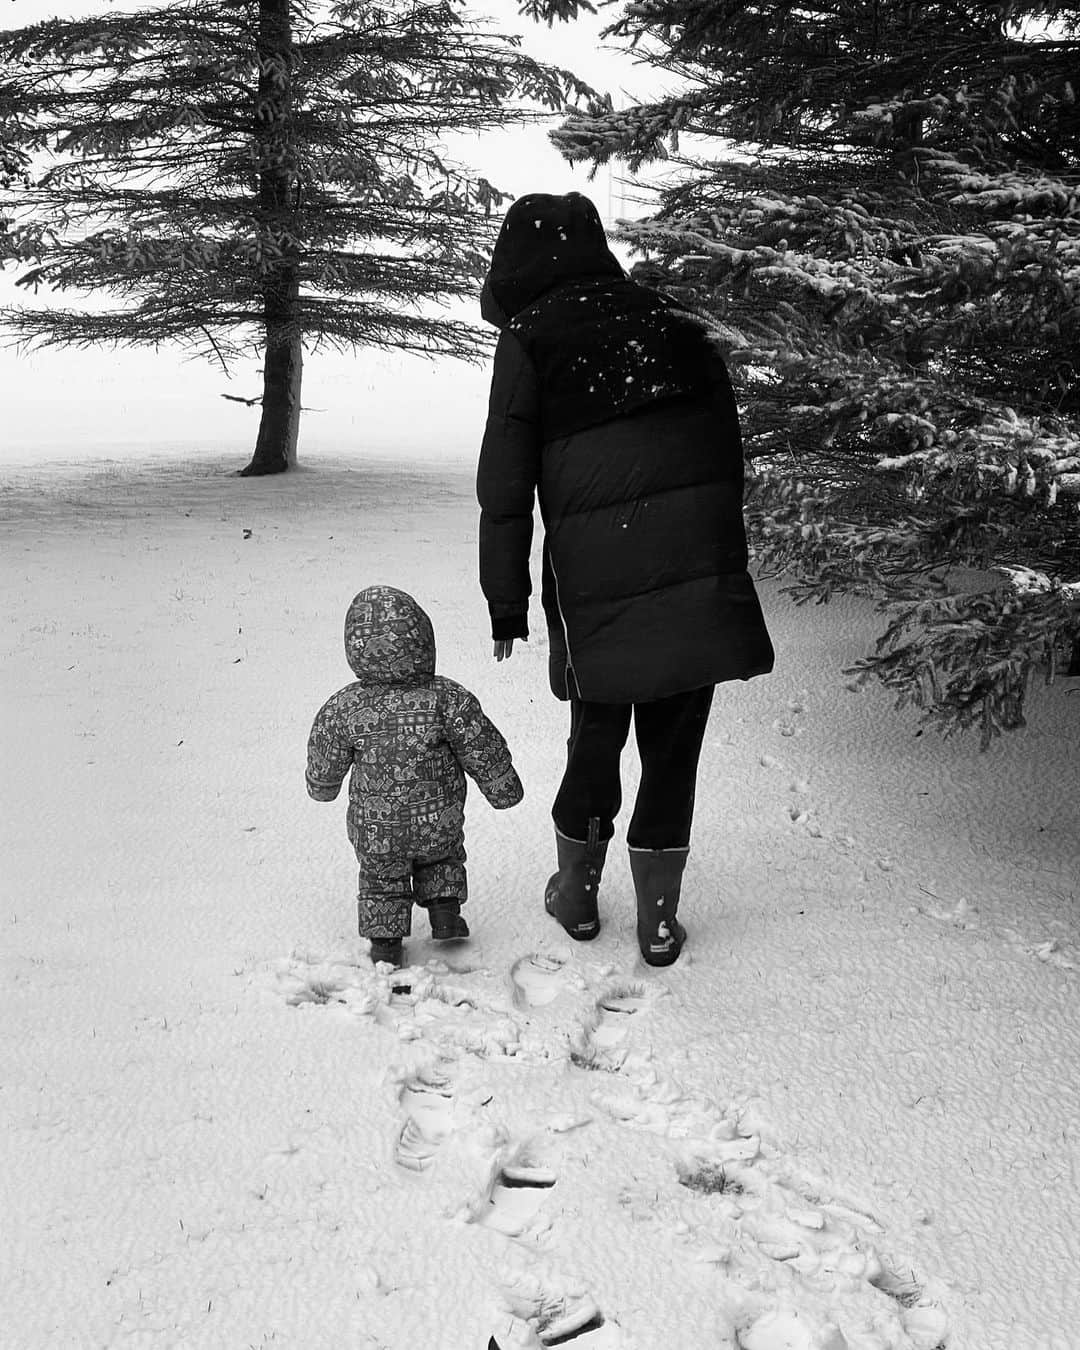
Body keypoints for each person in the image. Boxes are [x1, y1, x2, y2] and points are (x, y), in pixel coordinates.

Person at [476, 191, 775, 967]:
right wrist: (712, 560)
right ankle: (660, 920)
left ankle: (576, 894)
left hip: (592, 584)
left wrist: (506, 603)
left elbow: (505, 486)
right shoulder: (675, 319)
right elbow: (725, 455)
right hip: (692, 572)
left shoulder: (531, 336)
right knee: (675, 747)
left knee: (596, 739)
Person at [306, 585, 523, 968]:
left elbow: (325, 751)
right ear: (422, 639)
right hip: (436, 819)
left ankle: (386, 942)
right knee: (442, 859)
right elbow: (481, 744)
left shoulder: (345, 706)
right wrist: (502, 787)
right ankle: (445, 913)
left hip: (377, 829)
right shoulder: (446, 698)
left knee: (381, 878)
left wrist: (323, 786)